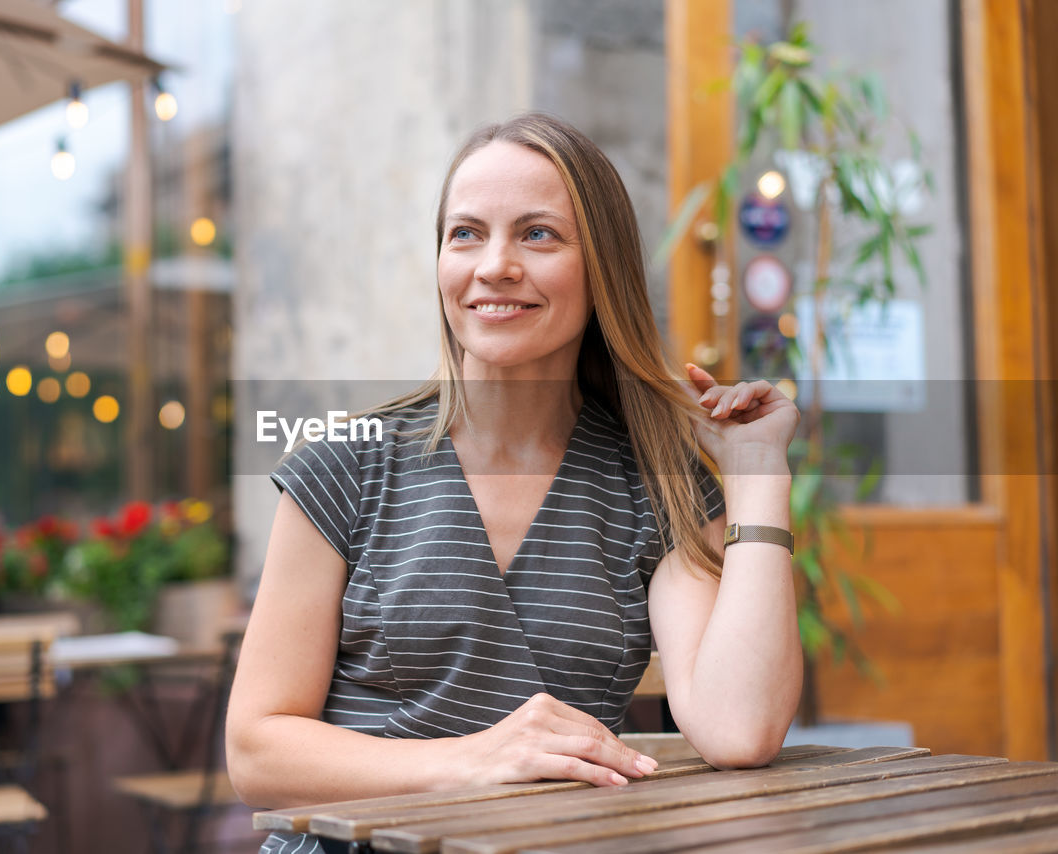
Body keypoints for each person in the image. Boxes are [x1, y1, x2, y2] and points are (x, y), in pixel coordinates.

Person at [225, 114, 803, 854]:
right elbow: (255, 752)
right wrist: (466, 761)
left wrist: (757, 477)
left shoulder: (652, 483)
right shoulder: (346, 464)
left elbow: (739, 727)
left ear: (603, 268)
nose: (493, 264)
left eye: (538, 234)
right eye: (465, 233)